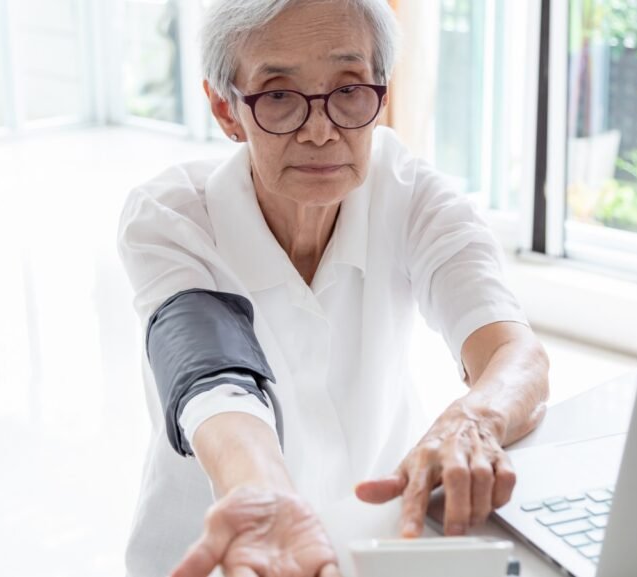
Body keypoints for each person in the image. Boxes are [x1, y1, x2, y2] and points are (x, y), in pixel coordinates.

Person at [116, 1, 550, 576]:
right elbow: (214, 381)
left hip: (380, 544)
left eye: (348, 90)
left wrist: (475, 417)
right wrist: (262, 492)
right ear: (226, 109)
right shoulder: (172, 218)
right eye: (277, 95)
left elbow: (512, 353)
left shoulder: (413, 195)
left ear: (382, 94)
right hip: (230, 555)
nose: (320, 131)